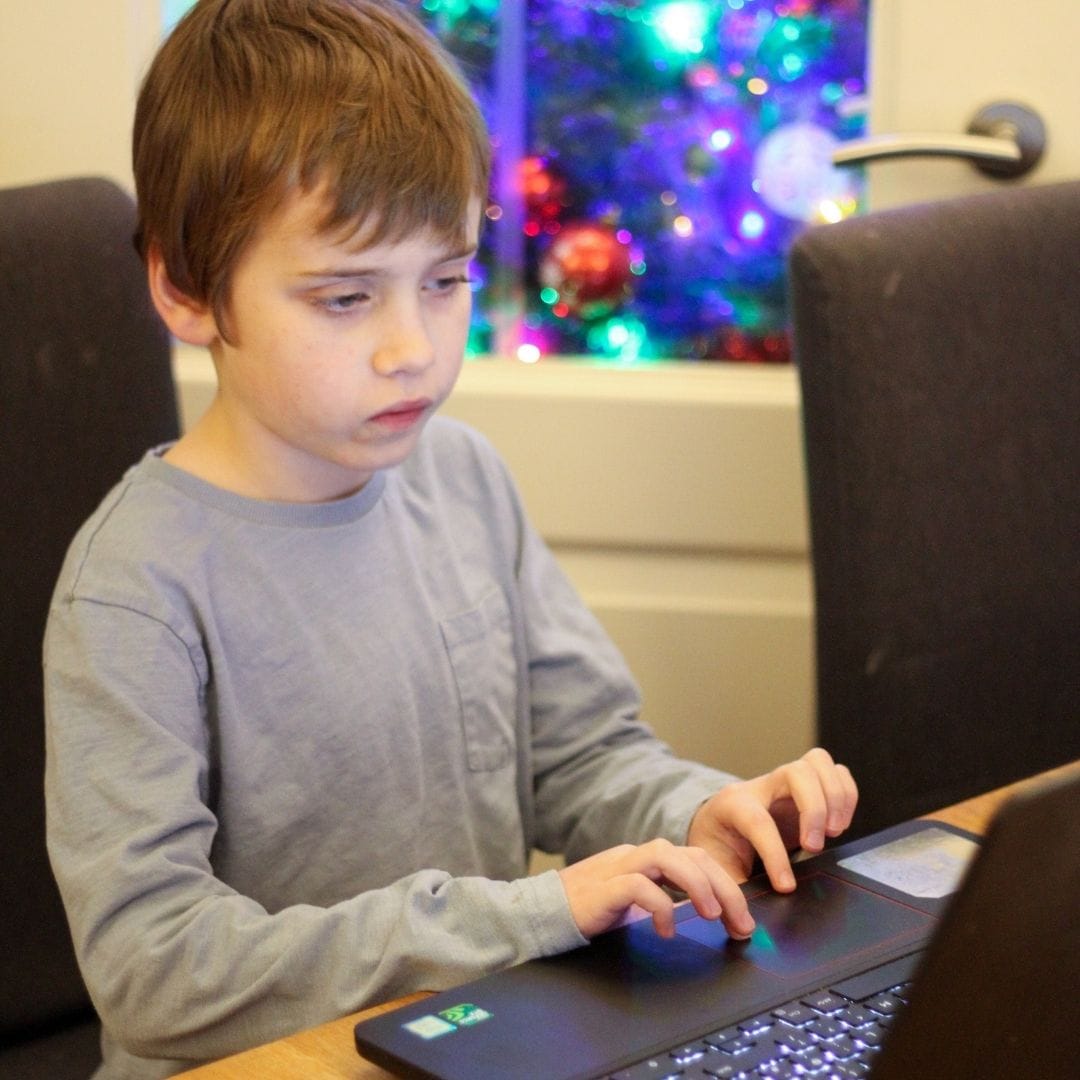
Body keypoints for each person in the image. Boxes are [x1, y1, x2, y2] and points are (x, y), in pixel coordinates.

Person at [42, 2, 858, 1077]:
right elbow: (154, 972)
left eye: (446, 281)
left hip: (468, 1042)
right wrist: (525, 915)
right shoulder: (134, 590)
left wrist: (702, 813)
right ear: (186, 290)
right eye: (345, 298)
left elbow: (581, 756)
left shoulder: (462, 475)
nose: (412, 350)